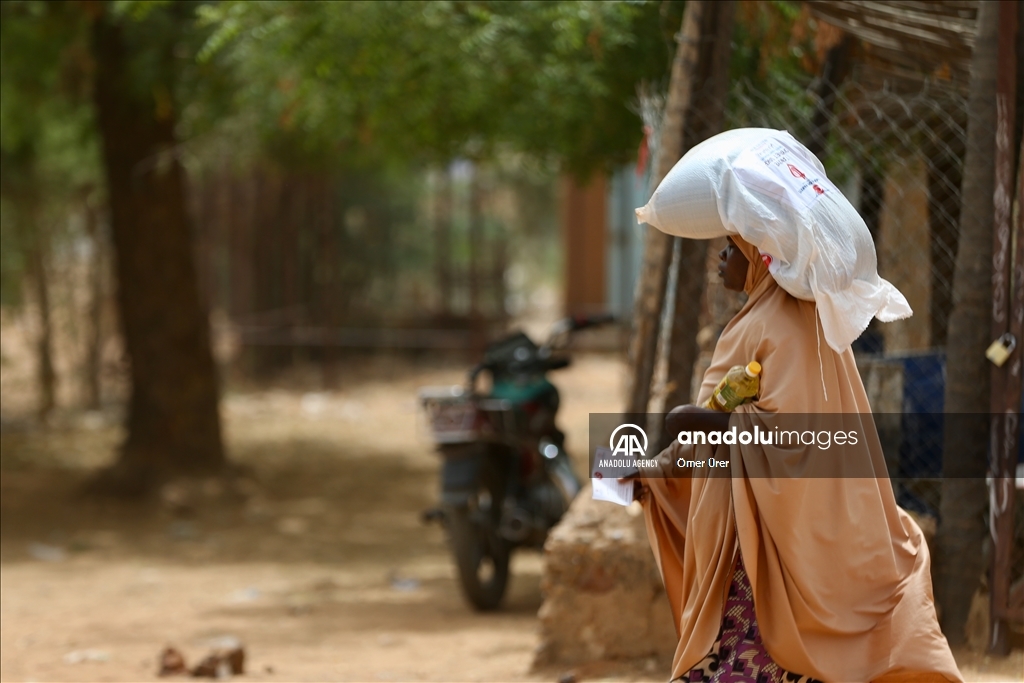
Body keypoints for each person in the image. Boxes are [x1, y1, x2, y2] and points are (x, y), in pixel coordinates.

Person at [631, 234, 962, 682]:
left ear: (760, 261)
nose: (720, 260)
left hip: (769, 533)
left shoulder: (768, 324)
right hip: (785, 523)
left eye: (732, 250)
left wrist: (700, 426)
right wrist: (660, 466)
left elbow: (785, 432)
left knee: (751, 650)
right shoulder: (800, 319)